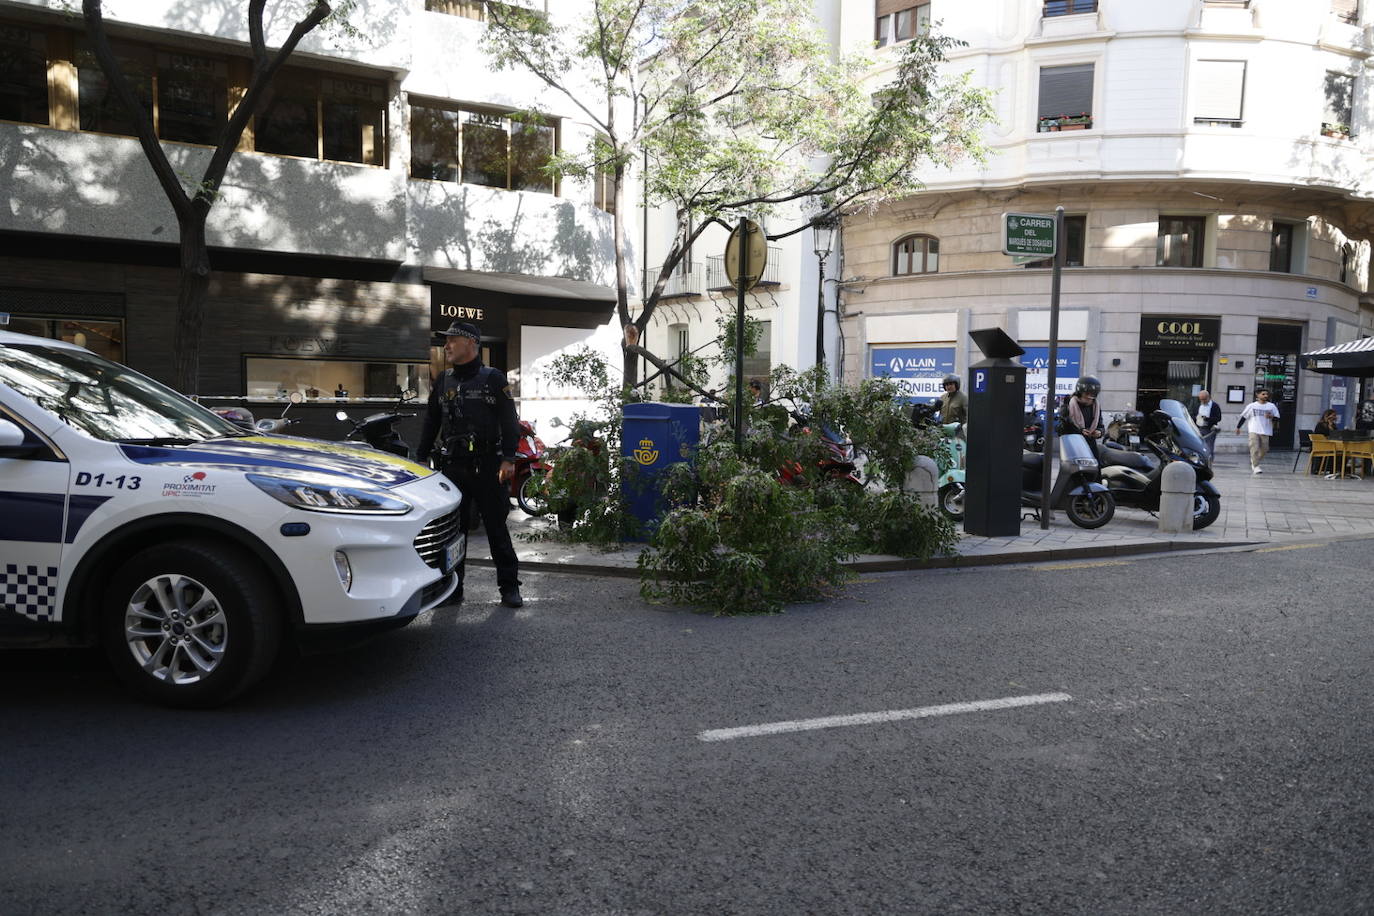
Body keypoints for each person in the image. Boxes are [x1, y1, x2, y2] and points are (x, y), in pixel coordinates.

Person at [415, 321, 523, 608]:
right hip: (453, 467)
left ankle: (510, 587)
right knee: (453, 533)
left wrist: (509, 458)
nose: (446, 345)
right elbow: (431, 420)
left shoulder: (493, 378)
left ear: (471, 343)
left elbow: (509, 421)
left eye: (452, 340)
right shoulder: (444, 380)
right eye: (446, 340)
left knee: (496, 530)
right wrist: (421, 456)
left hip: (488, 466)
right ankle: (454, 589)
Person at [1236, 388, 1281, 474]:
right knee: (1254, 448)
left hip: (1266, 430)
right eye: (1263, 394)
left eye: (1266, 394)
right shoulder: (1252, 406)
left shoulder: (1271, 406)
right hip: (1254, 430)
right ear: (1257, 395)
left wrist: (1271, 417)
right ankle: (1256, 466)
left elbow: (1277, 418)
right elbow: (1244, 417)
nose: (1265, 396)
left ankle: (1254, 460)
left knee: (1265, 449)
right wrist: (1238, 427)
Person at [1057, 375, 1103, 458]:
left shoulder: (1096, 406)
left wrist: (1099, 432)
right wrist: (1079, 431)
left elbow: (1100, 426)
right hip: (1073, 447)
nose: (1089, 398)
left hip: (1090, 447)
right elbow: (1060, 430)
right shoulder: (1068, 405)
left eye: (1092, 395)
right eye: (1087, 394)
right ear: (1080, 393)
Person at [1193, 389, 1221, 460]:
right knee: (1199, 445)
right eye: (1201, 399)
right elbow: (1193, 414)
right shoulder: (1198, 405)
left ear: (1208, 397)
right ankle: (1200, 459)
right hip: (1199, 428)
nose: (1202, 401)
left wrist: (1207, 419)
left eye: (1204, 399)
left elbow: (1218, 418)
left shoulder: (1215, 406)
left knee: (1209, 446)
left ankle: (1209, 460)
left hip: (1209, 429)